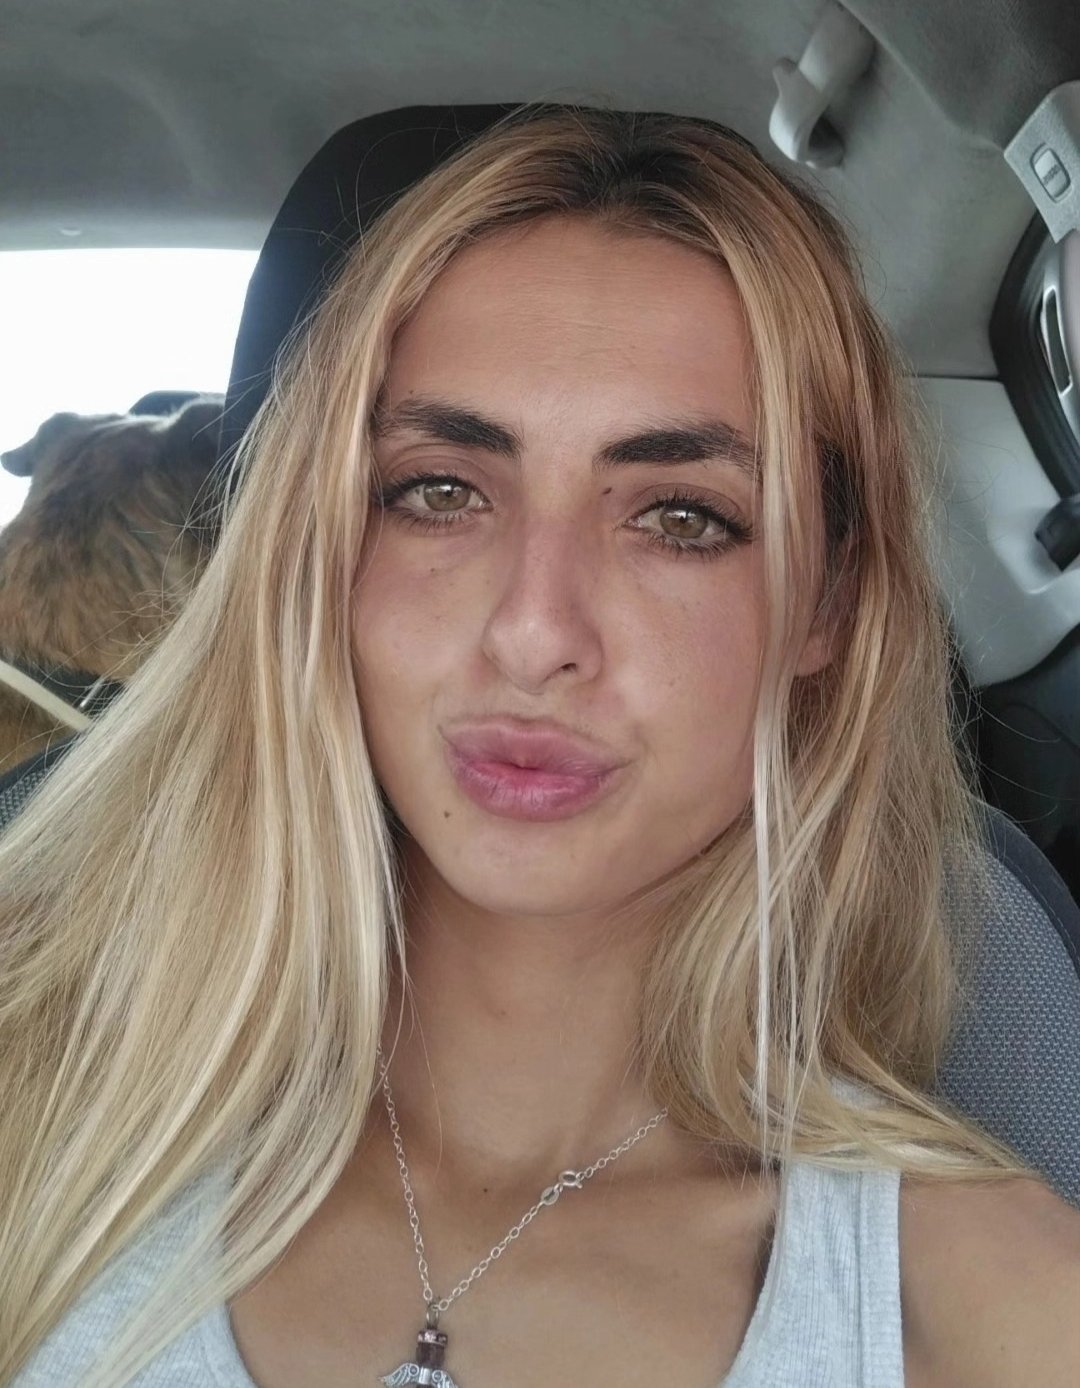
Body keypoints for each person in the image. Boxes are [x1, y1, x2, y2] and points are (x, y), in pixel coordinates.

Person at [1, 105, 1078, 1388]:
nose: (533, 632)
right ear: (321, 550)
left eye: (681, 517)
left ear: (827, 602)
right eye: (440, 490)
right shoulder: (37, 1122)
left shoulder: (985, 1303)